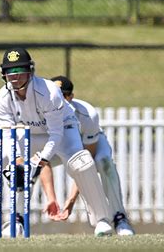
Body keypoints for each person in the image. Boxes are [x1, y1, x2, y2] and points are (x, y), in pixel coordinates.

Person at [0, 47, 113, 238]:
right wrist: (17, 160)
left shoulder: (49, 92)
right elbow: (8, 134)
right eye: (10, 73)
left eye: (20, 73)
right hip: (28, 132)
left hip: (63, 129)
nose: (16, 78)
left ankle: (101, 221)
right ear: (3, 75)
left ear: (30, 72)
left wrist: (41, 161)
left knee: (82, 163)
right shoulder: (2, 98)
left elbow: (55, 134)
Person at [46, 75, 135, 236]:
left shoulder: (88, 115)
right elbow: (41, 161)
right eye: (55, 95)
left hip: (88, 148)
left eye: (64, 95)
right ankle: (17, 219)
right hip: (60, 148)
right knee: (28, 166)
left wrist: (71, 200)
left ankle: (119, 218)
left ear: (71, 97)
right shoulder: (42, 113)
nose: (60, 100)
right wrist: (51, 198)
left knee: (104, 162)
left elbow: (87, 164)